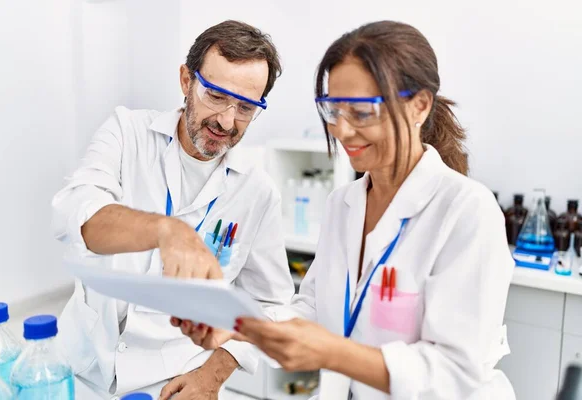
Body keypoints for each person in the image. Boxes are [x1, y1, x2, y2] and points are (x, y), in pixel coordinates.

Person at [180, 21, 516, 399]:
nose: (341, 129)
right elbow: (312, 307)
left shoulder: (467, 211)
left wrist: (332, 351)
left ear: (419, 105)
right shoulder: (345, 204)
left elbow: (457, 371)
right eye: (333, 110)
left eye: (360, 112)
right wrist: (238, 327)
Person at [51, 20, 295, 399]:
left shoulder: (257, 191)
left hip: (175, 381)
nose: (227, 121)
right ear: (186, 80)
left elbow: (272, 305)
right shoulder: (126, 132)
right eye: (215, 96)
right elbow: (75, 212)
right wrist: (167, 230)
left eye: (246, 107)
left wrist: (212, 375)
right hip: (81, 369)